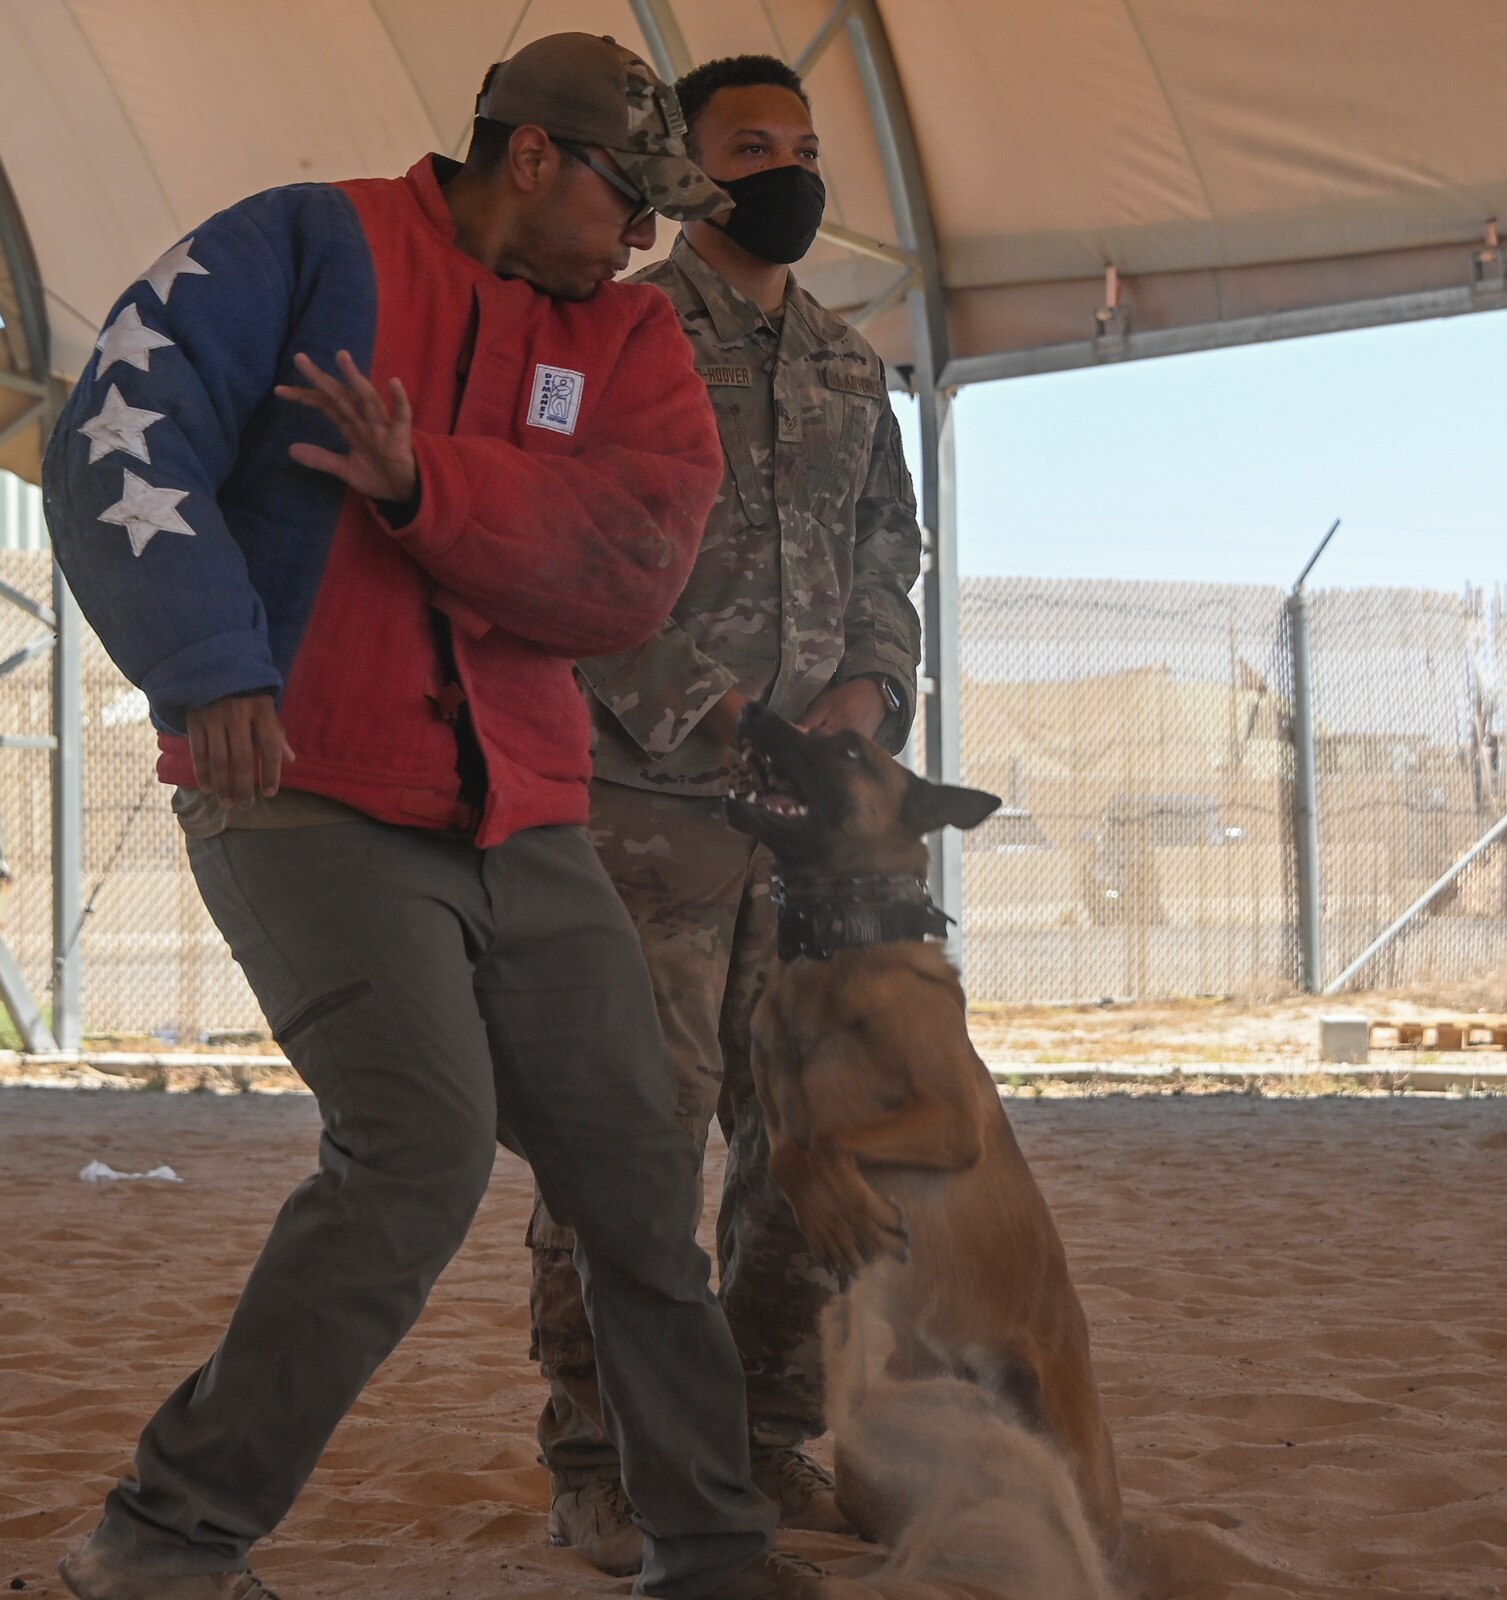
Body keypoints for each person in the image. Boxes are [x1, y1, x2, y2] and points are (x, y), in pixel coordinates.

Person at [41, 33, 826, 1600]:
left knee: (635, 1172)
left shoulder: (624, 346)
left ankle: (709, 1550)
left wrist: (425, 490)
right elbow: (118, 437)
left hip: (525, 816)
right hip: (303, 796)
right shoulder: (305, 243)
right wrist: (208, 662)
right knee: (417, 1152)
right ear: (531, 155)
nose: (645, 242)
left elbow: (632, 560)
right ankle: (162, 1543)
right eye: (627, 201)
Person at [527, 52, 922, 1574]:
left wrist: (871, 696)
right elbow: (551, 544)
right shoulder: (611, 333)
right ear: (688, 174)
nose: (793, 171)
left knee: (812, 1142)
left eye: (810, 146)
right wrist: (706, 705)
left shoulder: (845, 362)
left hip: (810, 826)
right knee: (626, 1140)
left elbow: (892, 554)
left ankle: (761, 1440)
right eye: (754, 146)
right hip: (643, 807)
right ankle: (601, 1458)